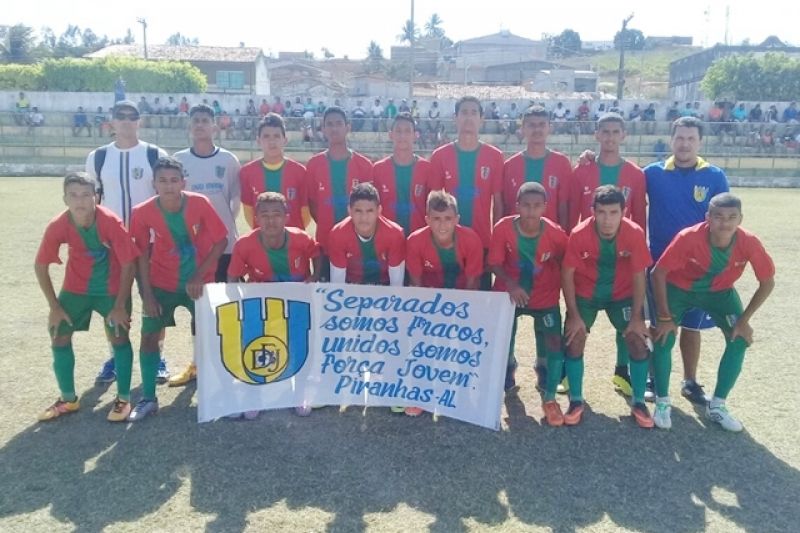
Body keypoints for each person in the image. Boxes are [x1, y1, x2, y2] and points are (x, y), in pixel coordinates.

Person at [651, 193, 775, 431]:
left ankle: (717, 405)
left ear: (740, 219)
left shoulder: (749, 242)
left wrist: (744, 320)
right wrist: (665, 318)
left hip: (720, 293)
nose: (725, 223)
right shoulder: (688, 237)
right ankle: (662, 401)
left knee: (739, 340)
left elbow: (767, 282)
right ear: (708, 217)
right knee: (663, 337)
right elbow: (658, 273)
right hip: (680, 289)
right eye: (718, 217)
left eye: (731, 217)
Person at [128, 157, 228, 421]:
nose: (169, 186)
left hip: (198, 282)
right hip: (161, 282)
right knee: (149, 336)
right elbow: (139, 254)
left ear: (183, 182)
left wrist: (199, 273)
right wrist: (146, 293)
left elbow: (221, 240)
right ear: (154, 184)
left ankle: (215, 391)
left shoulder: (199, 203)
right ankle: (148, 397)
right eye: (163, 181)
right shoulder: (142, 212)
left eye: (174, 180)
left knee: (209, 336)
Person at [34, 173, 140, 422]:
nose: (79, 201)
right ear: (65, 199)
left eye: (85, 195)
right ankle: (68, 399)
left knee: (119, 335)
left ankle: (123, 398)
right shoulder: (58, 224)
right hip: (76, 290)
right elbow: (40, 266)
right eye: (73, 195)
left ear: (96, 197)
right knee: (59, 334)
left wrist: (119, 305)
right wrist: (54, 307)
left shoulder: (110, 222)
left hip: (111, 290)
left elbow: (129, 264)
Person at [645, 116, 730, 405]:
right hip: (660, 267)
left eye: (691, 139)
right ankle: (655, 380)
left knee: (691, 328)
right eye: (680, 138)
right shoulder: (652, 173)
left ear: (700, 142)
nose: (684, 144)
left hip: (698, 270)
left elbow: (724, 221)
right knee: (661, 325)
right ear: (671, 140)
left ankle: (690, 381)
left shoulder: (715, 176)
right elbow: (620, 179)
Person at [86, 100, 169, 384]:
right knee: (114, 302)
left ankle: (157, 355)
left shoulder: (153, 153)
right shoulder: (97, 157)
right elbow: (93, 201)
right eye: (120, 116)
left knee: (152, 300)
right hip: (111, 246)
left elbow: (167, 197)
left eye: (131, 116)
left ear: (139, 121)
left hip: (151, 244)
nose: (125, 121)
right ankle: (114, 356)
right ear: (111, 121)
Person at [561, 186, 653, 427]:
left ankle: (639, 401)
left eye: (613, 212)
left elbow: (639, 275)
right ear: (592, 212)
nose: (607, 219)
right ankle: (576, 399)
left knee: (637, 340)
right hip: (586, 294)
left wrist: (637, 317)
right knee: (575, 338)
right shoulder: (579, 233)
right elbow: (567, 273)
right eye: (601, 212)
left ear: (624, 212)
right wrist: (572, 315)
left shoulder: (634, 233)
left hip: (620, 295)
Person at [569, 113, 647, 396]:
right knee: (576, 322)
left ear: (624, 135)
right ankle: (570, 374)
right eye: (605, 132)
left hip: (624, 257)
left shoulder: (636, 174)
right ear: (597, 135)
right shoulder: (582, 170)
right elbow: (576, 214)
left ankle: (622, 370)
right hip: (588, 258)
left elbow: (639, 217)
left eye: (616, 131)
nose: (610, 137)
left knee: (624, 316)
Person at [227, 191, 321, 419]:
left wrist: (314, 277)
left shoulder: (300, 238)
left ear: (287, 217)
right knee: (258, 347)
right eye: (265, 215)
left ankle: (299, 393)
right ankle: (255, 395)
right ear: (256, 218)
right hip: (262, 308)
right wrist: (241, 300)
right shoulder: (245, 245)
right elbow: (232, 278)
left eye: (277, 214)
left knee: (299, 348)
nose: (271, 220)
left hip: (297, 304)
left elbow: (317, 256)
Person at [169, 105, 241, 387]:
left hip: (224, 246)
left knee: (225, 305)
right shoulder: (177, 160)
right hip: (192, 251)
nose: (200, 125)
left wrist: (224, 224)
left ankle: (228, 362)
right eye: (195, 121)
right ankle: (197, 364)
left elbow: (235, 196)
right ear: (190, 127)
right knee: (198, 306)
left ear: (215, 126)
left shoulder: (228, 159)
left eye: (205, 121)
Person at [488, 182, 567, 396]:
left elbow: (565, 262)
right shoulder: (503, 228)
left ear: (545, 207)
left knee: (550, 336)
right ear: (517, 206)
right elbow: (494, 262)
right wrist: (511, 285)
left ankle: (543, 368)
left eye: (536, 206)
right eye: (526, 205)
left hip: (544, 294)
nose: (531, 211)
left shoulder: (555, 233)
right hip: (510, 293)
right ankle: (508, 367)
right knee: (506, 332)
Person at [429, 96, 504, 289]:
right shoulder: (440, 156)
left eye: (473, 113)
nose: (468, 118)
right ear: (455, 118)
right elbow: (433, 202)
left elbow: (498, 203)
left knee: (481, 304)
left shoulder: (495, 156)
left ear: (482, 119)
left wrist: (496, 244)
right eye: (464, 112)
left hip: (483, 242)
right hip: (447, 242)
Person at [306, 106, 373, 281]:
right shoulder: (313, 165)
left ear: (347, 127)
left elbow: (370, 207)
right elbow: (312, 204)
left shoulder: (365, 165)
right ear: (323, 129)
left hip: (358, 246)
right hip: (325, 244)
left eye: (338, 124)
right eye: (329, 124)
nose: (334, 128)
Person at [503, 105, 573, 230]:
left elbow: (563, 206)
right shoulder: (509, 165)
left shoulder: (562, 163)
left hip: (551, 241)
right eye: (531, 125)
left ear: (549, 128)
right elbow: (506, 206)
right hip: (516, 241)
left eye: (542, 125)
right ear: (523, 129)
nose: (537, 129)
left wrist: (563, 237)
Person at [240, 113, 308, 231]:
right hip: (262, 241)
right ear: (258, 141)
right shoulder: (246, 172)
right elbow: (248, 212)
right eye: (266, 136)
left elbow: (306, 212)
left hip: (293, 241)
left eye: (276, 136)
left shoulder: (300, 172)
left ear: (285, 140)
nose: (272, 141)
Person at [372, 112, 433, 236]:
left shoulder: (427, 168)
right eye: (398, 131)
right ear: (391, 135)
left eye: (407, 131)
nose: (402, 135)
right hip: (387, 240)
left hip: (419, 240)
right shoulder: (378, 169)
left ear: (415, 135)